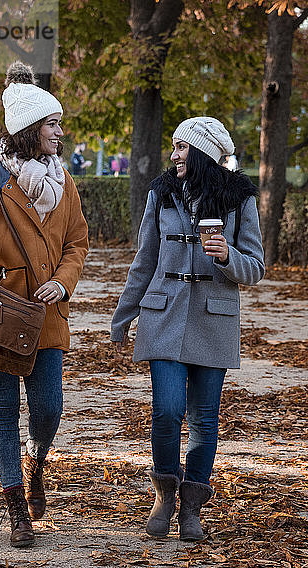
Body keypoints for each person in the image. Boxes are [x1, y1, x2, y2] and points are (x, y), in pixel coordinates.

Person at [0, 61, 88, 548]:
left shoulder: (62, 180)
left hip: (47, 310)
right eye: (52, 123)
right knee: (2, 409)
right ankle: (15, 508)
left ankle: (36, 462)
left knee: (48, 408)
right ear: (30, 128)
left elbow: (77, 242)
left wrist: (64, 282)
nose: (60, 131)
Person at [111, 116, 264, 541]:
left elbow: (256, 267)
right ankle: (164, 492)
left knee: (204, 419)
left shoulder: (239, 200)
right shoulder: (160, 194)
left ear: (202, 154)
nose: (174, 156)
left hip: (214, 320)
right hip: (162, 315)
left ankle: (191, 508)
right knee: (167, 409)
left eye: (181, 148)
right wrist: (123, 315)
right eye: (174, 147)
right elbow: (145, 259)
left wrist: (226, 255)